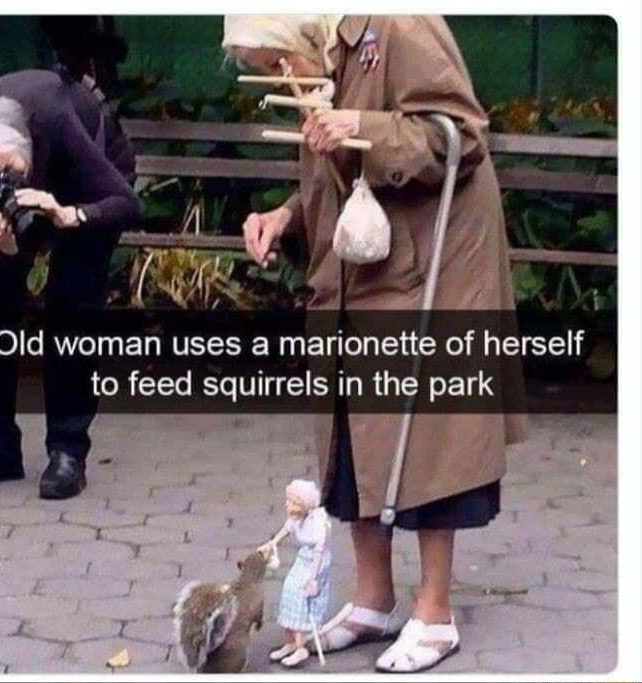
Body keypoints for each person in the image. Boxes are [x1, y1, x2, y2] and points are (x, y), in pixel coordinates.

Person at [224, 15, 526, 673]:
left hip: (435, 264)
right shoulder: (323, 63)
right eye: (262, 69)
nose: (276, 79)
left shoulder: (397, 23)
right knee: (353, 428)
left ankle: (435, 611)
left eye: (277, 64)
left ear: (305, 33)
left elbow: (460, 134)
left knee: (427, 437)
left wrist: (364, 125)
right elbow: (338, 178)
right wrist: (285, 215)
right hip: (365, 260)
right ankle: (372, 598)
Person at [0, 16, 140, 499]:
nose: (8, 181)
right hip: (27, 193)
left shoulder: (53, 119)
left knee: (73, 305)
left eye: (11, 170)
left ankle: (68, 449)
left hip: (91, 186)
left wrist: (72, 215)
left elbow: (127, 202)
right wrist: (0, 246)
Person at [259, 479, 332, 668]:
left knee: (301, 599)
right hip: (303, 559)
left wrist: (312, 578)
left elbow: (319, 551)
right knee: (288, 592)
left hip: (316, 563)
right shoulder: (296, 519)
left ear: (305, 505)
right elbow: (286, 530)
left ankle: (301, 647)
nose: (288, 505)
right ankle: (290, 641)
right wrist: (272, 543)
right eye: (288, 501)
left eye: (293, 502)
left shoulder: (318, 523)